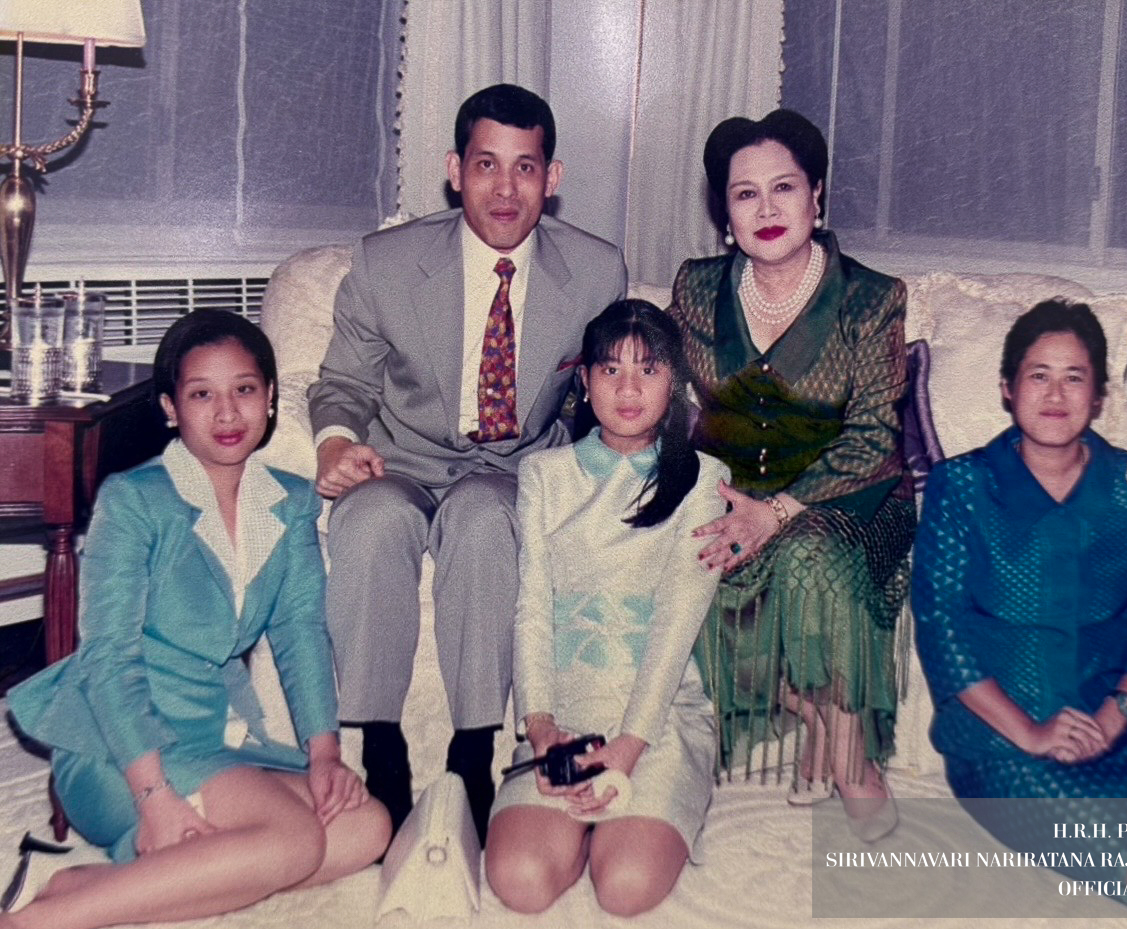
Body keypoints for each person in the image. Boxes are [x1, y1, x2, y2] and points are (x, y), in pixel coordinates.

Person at [307, 83, 627, 842]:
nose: (505, 189)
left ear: (552, 178)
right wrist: (336, 444)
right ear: (455, 170)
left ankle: (473, 748)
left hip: (514, 469)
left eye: (525, 168)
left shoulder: (596, 271)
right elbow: (343, 383)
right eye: (487, 165)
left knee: (484, 518)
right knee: (371, 521)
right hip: (401, 459)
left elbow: (602, 396)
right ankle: (379, 745)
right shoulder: (386, 263)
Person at [2, 310, 389, 929]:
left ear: (269, 398)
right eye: (202, 395)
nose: (227, 413)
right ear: (170, 407)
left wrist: (324, 755)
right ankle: (40, 921)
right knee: (294, 839)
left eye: (244, 389)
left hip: (214, 733)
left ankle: (79, 879)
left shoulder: (289, 501)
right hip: (120, 745)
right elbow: (107, 659)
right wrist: (154, 795)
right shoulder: (134, 500)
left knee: (364, 828)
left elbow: (300, 633)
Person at [912, 299, 1127, 900]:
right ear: (1008, 388)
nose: (1056, 394)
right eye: (1039, 375)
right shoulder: (961, 486)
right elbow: (943, 632)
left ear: (1099, 396)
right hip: (1004, 734)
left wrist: (1117, 715)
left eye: (1074, 377)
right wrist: (1032, 734)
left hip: (1126, 717)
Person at [665, 109, 914, 834]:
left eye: (784, 187)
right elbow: (661, 396)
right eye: (745, 193)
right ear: (724, 212)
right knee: (679, 557)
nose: (767, 209)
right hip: (731, 494)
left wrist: (773, 512)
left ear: (817, 196)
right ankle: (813, 713)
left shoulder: (872, 298)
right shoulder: (695, 288)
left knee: (808, 555)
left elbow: (874, 438)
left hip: (853, 497)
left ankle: (849, 745)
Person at [484, 300, 727, 916]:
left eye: (648, 370)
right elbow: (532, 606)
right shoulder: (544, 475)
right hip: (564, 720)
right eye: (611, 369)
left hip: (656, 722)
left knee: (625, 888)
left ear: (674, 383)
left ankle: (626, 822)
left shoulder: (704, 481)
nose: (628, 389)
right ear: (585, 383)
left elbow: (676, 627)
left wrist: (628, 748)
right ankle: (571, 828)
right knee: (519, 880)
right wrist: (542, 730)